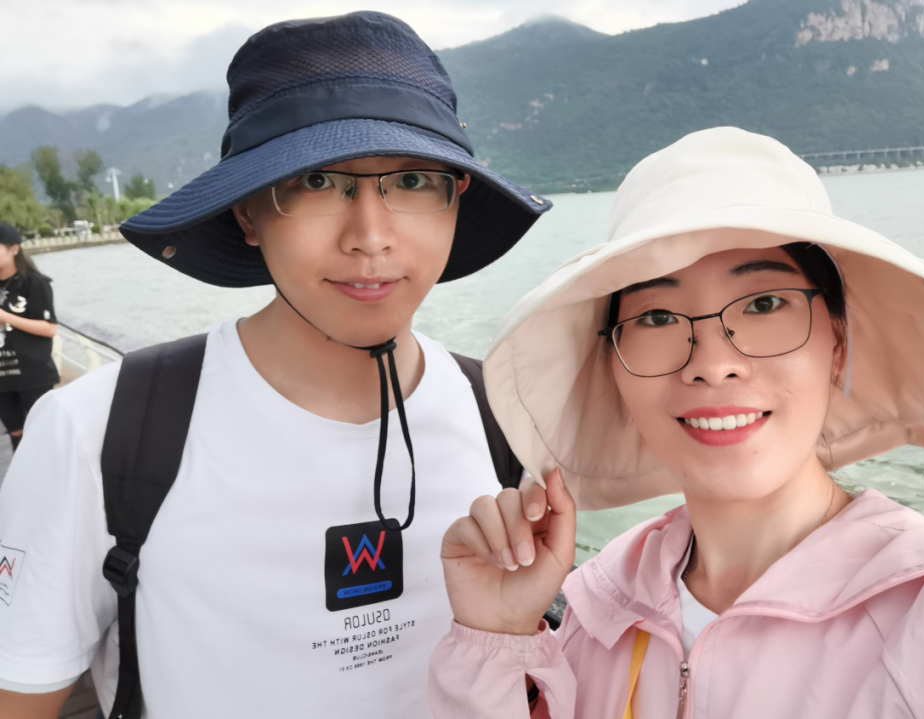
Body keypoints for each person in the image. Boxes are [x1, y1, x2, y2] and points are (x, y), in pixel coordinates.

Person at [0, 11, 549, 719]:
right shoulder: (101, 431)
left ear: (455, 202)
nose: (370, 237)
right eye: (316, 181)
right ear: (248, 213)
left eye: (412, 179)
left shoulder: (504, 414)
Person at [428, 127, 924, 718]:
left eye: (765, 303)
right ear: (614, 368)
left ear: (838, 343)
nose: (714, 364)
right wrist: (496, 638)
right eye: (657, 317)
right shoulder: (598, 610)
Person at [0, 222, 59, 454]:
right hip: (2, 377)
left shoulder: (35, 283)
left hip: (33, 373)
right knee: (16, 433)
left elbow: (49, 328)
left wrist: (6, 317)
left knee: (43, 431)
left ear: (14, 249)